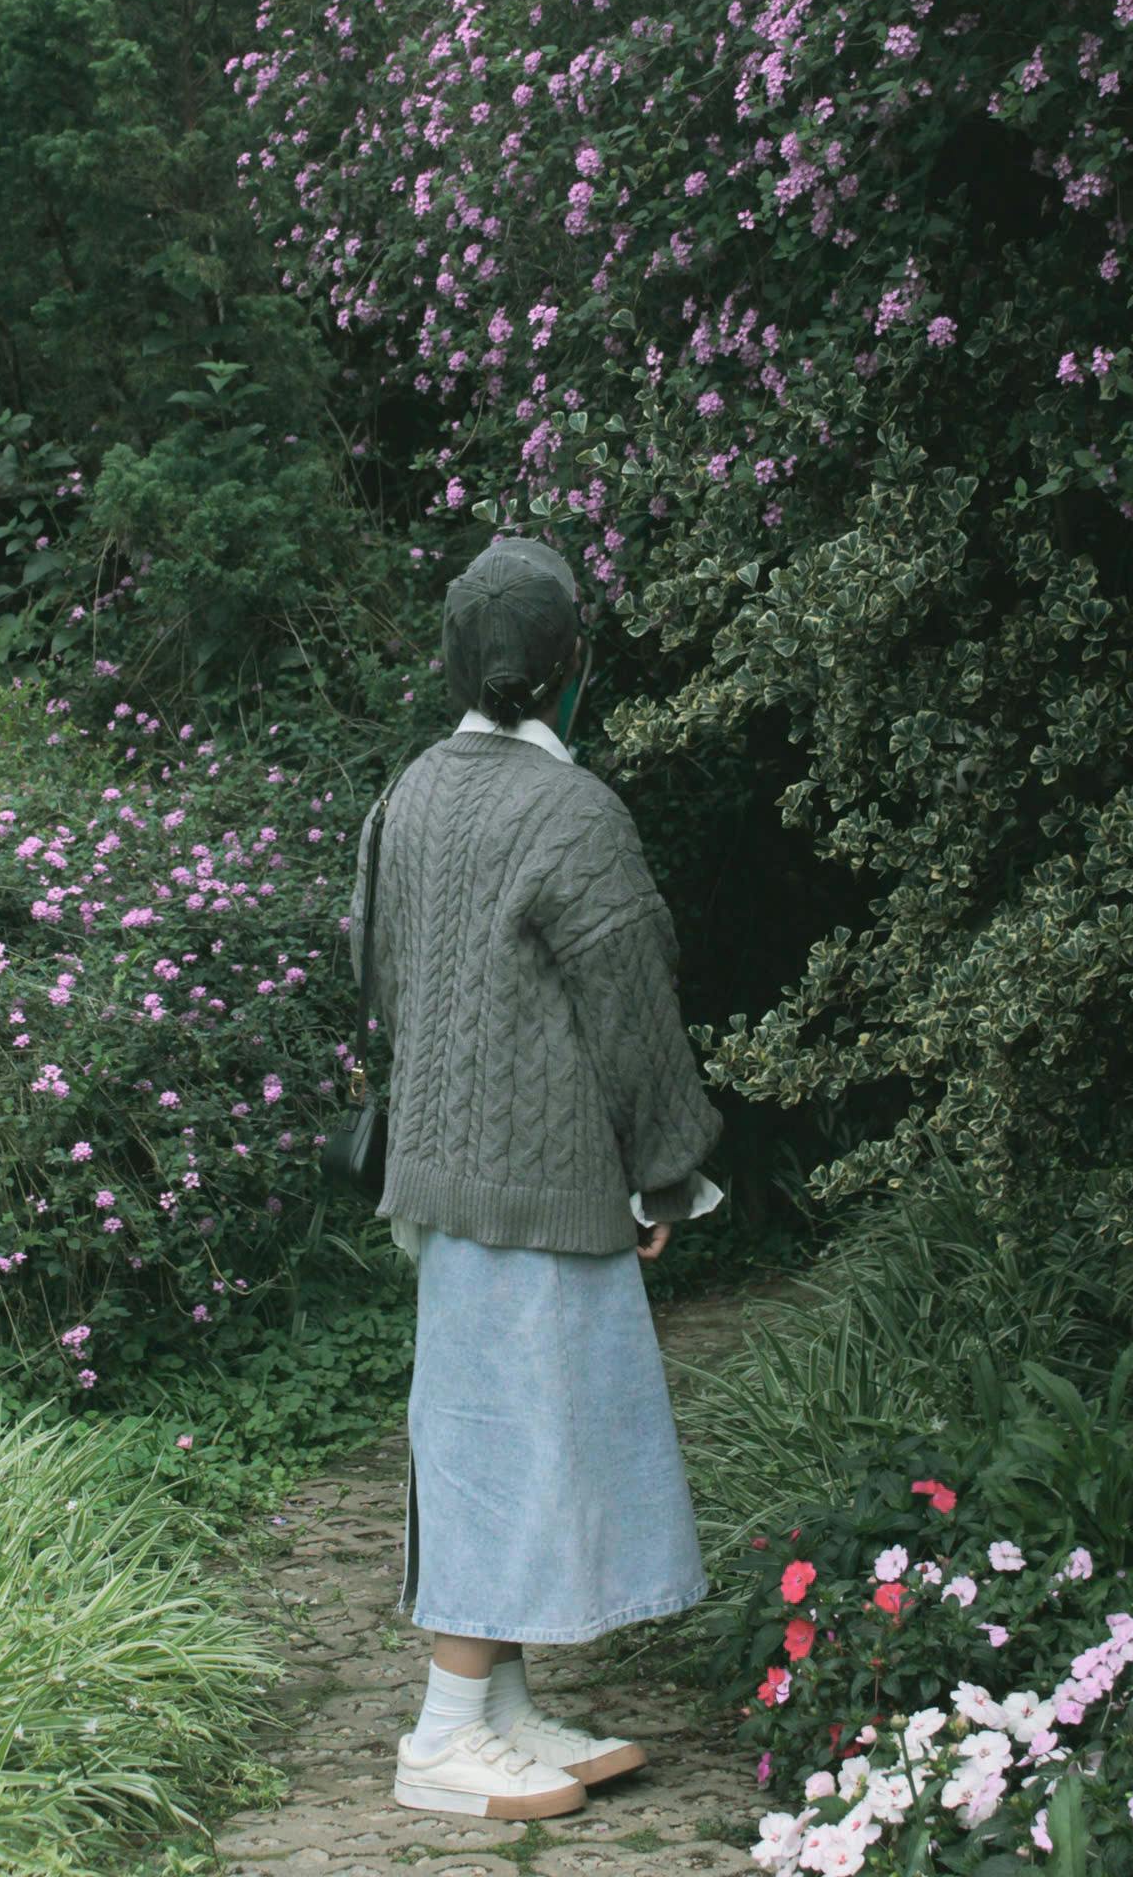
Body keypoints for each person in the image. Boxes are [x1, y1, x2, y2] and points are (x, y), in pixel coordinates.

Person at [349, 533, 726, 1825]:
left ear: (456, 659)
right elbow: (633, 1009)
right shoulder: (575, 813)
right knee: (502, 1440)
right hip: (546, 1181)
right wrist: (666, 1172)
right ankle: (444, 1733)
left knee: (491, 1427)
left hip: (441, 1175)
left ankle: (499, 1707)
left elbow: (380, 978)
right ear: (569, 668)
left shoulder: (407, 794)